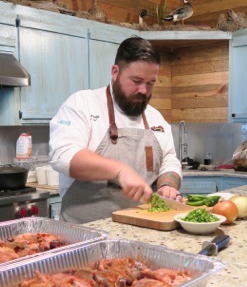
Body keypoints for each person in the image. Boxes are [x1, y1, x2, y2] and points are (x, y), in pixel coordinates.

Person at [49, 36, 183, 223]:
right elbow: (63, 155)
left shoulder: (155, 118)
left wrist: (168, 185)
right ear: (115, 72)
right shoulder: (82, 104)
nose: (144, 90)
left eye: (151, 83)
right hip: (83, 233)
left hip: (140, 230)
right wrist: (119, 170)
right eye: (136, 80)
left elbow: (169, 159)